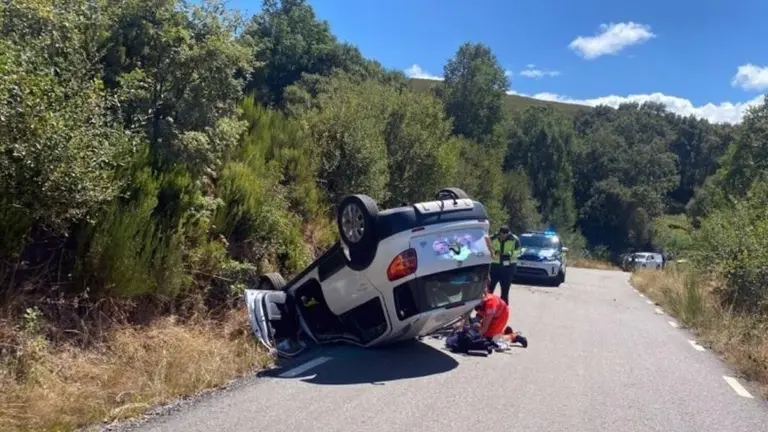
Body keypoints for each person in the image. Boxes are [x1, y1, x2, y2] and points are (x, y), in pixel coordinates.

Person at [488, 225, 519, 305]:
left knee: (505, 291)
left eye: (504, 236)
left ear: (508, 234)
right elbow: (487, 247)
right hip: (495, 266)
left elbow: (519, 251)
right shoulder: (493, 238)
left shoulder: (514, 239)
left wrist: (510, 254)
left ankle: (503, 310)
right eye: (501, 235)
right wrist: (494, 252)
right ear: (499, 233)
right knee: (489, 289)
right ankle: (486, 308)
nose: (502, 237)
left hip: (508, 267)